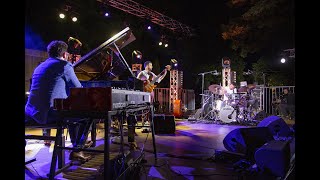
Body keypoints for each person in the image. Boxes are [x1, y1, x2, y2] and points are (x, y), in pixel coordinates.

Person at [25, 40, 92, 162]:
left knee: (71, 113)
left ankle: (76, 144)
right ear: (65, 54)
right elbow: (78, 88)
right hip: (48, 114)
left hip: (30, 112)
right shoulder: (64, 65)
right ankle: (77, 149)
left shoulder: (40, 66)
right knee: (87, 116)